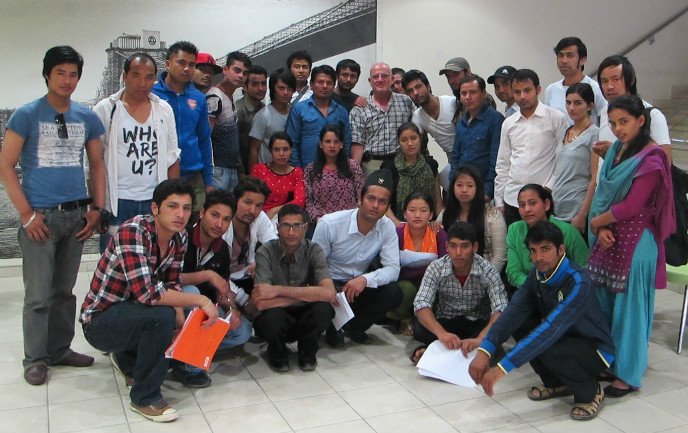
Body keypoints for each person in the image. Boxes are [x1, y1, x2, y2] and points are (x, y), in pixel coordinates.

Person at [0, 45, 106, 386]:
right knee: (38, 295)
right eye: (60, 72)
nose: (67, 80)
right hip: (40, 218)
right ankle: (35, 358)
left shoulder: (86, 116)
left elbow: (97, 164)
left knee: (65, 291)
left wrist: (97, 209)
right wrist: (26, 215)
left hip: (75, 216)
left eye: (73, 74)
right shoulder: (27, 114)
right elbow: (6, 165)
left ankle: (60, 349)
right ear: (47, 74)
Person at [80, 179, 221, 422]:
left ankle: (127, 360)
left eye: (186, 208)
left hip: (132, 313)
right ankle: (145, 398)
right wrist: (201, 300)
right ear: (155, 208)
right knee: (161, 315)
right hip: (99, 322)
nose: (180, 214)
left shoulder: (180, 237)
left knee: (171, 315)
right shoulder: (133, 232)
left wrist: (180, 320)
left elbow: (171, 282)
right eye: (172, 206)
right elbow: (148, 293)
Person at [470, 221, 614, 422]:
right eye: (533, 251)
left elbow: (551, 330)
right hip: (563, 337)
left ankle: (591, 392)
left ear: (561, 249)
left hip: (595, 349)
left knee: (547, 345)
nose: (538, 257)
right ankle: (556, 384)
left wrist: (501, 370)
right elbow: (514, 311)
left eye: (545, 249)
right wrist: (485, 350)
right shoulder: (536, 274)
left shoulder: (578, 281)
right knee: (521, 323)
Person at [588, 94, 674, 396]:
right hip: (609, 237)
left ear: (640, 121)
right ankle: (609, 362)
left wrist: (596, 222)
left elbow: (632, 206)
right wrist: (601, 227)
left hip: (637, 244)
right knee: (605, 305)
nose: (618, 129)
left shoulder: (652, 159)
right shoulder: (617, 150)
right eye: (613, 123)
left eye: (624, 122)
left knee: (630, 312)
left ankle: (628, 374)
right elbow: (604, 193)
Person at [93, 52, 180, 252]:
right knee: (115, 260)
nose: (142, 83)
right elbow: (95, 162)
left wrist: (172, 202)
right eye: (136, 75)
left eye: (149, 77)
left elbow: (172, 157)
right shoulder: (105, 109)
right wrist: (98, 206)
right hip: (117, 202)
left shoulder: (164, 109)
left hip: (154, 200)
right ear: (124, 76)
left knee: (152, 257)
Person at [312, 170, 403, 345]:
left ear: (387, 207)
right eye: (371, 198)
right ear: (360, 199)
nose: (375, 205)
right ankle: (333, 326)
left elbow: (393, 269)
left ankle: (355, 327)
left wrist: (364, 279)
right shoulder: (330, 224)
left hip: (357, 286)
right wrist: (329, 287)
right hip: (329, 285)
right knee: (331, 336)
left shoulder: (387, 227)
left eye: (382, 202)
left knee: (394, 292)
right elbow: (314, 265)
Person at [173, 189, 252, 388]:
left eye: (226, 219)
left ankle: (181, 352)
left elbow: (223, 289)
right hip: (176, 303)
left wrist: (231, 309)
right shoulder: (181, 238)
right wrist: (207, 275)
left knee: (242, 332)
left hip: (207, 310)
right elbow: (170, 278)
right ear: (202, 213)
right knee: (192, 293)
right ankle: (190, 367)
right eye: (214, 215)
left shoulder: (222, 249)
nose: (219, 224)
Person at [253, 204, 336, 372]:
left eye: (297, 226)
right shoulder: (265, 252)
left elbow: (329, 293)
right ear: (278, 228)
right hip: (279, 315)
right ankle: (277, 354)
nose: (291, 232)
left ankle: (307, 353)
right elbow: (261, 302)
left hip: (304, 315)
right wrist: (309, 294)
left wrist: (277, 291)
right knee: (270, 317)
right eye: (286, 226)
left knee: (323, 309)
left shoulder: (314, 250)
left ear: (305, 228)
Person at [410, 221, 507, 364]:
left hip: (477, 323)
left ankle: (437, 351)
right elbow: (421, 303)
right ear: (446, 247)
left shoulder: (488, 270)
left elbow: (501, 308)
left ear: (475, 247)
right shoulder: (436, 267)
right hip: (447, 322)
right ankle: (454, 348)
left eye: (464, 246)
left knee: (498, 331)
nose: (458, 252)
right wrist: (442, 334)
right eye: (453, 246)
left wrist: (480, 338)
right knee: (419, 327)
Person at [494, 69, 568, 227]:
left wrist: (549, 188)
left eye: (527, 90)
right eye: (517, 92)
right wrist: (499, 199)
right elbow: (503, 163)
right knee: (516, 241)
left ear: (538, 90)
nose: (522, 96)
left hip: (543, 199)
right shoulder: (509, 123)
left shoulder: (556, 118)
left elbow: (563, 160)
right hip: (512, 200)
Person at [152, 41, 213, 212]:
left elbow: (204, 141)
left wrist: (208, 182)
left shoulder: (199, 98)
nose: (186, 68)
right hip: (159, 177)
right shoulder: (152, 94)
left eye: (191, 65)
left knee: (194, 227)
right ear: (168, 64)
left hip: (193, 178)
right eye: (181, 62)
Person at [506, 184, 589, 292]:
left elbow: (584, 268)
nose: (527, 209)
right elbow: (513, 273)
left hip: (566, 291)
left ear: (546, 204)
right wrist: (541, 289)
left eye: (532, 203)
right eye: (522, 205)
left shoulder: (568, 231)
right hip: (528, 291)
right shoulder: (515, 229)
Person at [389, 192, 447, 336]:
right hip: (402, 281)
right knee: (406, 289)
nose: (417, 215)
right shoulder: (397, 233)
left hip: (430, 281)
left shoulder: (438, 233)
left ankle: (423, 320)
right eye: (412, 210)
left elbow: (445, 265)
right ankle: (404, 317)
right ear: (404, 213)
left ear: (431, 214)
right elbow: (391, 266)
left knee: (430, 288)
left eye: (423, 210)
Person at [595, 55, 672, 163]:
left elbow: (665, 162)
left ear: (631, 80)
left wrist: (617, 152)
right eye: (604, 81)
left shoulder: (652, 114)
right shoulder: (605, 111)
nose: (609, 86)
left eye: (615, 79)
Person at [222, 177, 278, 308]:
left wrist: (261, 263)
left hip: (247, 276)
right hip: (222, 283)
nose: (252, 210)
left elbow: (275, 248)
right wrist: (245, 301)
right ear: (235, 200)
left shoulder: (260, 217)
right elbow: (217, 276)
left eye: (258, 205)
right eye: (247, 202)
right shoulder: (221, 224)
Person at [439, 166, 507, 272]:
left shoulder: (493, 216)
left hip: (485, 274)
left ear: (478, 188)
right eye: (459, 185)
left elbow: (499, 257)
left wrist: (486, 278)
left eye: (470, 185)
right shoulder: (445, 214)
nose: (464, 190)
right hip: (450, 274)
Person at [349, 63, 414, 173]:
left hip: (401, 163)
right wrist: (355, 173)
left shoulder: (405, 101)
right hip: (372, 165)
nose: (380, 80)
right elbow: (357, 144)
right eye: (375, 77)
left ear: (392, 79)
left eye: (384, 76)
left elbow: (417, 128)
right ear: (370, 81)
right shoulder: (359, 110)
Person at [552, 83, 600, 233]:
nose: (571, 108)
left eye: (577, 103)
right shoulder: (564, 131)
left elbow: (594, 178)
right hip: (558, 204)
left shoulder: (594, 134)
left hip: (578, 206)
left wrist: (582, 214)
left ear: (589, 106)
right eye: (568, 103)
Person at [450, 74, 504, 199]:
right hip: (463, 189)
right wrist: (453, 185)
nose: (467, 97)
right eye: (464, 93)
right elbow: (455, 157)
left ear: (483, 93)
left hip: (484, 189)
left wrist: (488, 191)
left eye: (472, 92)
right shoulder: (461, 122)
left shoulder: (495, 119)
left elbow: (496, 159)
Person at [286, 65, 351, 167]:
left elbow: (346, 144)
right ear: (311, 85)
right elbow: (292, 143)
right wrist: (298, 171)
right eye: (320, 82)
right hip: (306, 169)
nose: (325, 86)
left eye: (329, 83)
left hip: (335, 171)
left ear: (333, 86)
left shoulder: (341, 112)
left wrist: (343, 168)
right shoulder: (299, 109)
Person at [206, 51, 252, 190]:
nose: (241, 76)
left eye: (245, 73)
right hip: (218, 170)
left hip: (230, 169)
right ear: (225, 70)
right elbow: (205, 137)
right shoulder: (215, 97)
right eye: (237, 70)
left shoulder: (230, 97)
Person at [381, 122, 442, 225]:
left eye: (413, 138)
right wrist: (398, 224)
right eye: (404, 140)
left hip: (428, 224)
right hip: (397, 224)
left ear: (420, 139)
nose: (409, 143)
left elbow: (438, 202)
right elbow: (384, 203)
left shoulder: (431, 165)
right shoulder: (389, 167)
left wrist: (438, 221)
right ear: (399, 142)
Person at [304, 125, 364, 225]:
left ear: (342, 144)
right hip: (322, 223)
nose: (332, 145)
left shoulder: (353, 166)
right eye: (328, 141)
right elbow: (308, 202)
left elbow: (361, 197)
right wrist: (319, 220)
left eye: (336, 142)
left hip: (350, 222)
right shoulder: (310, 170)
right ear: (321, 144)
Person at [544, 37, 606, 125]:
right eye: (560, 55)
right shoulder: (551, 90)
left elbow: (605, 121)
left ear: (582, 60)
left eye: (570, 55)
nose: (564, 60)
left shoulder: (595, 88)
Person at [250, 132, 306, 221]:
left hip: (285, 217)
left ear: (291, 150)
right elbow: (251, 197)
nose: (281, 153)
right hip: (258, 216)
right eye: (276, 150)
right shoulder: (259, 170)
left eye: (285, 149)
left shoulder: (297, 173)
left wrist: (275, 210)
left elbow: (300, 201)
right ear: (270, 151)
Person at [404, 69, 457, 161]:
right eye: (410, 91)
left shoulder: (451, 103)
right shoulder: (418, 117)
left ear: (428, 86)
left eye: (418, 87)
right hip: (453, 158)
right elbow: (416, 144)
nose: (415, 93)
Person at [248, 68, 295, 170]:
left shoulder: (295, 113)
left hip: (290, 172)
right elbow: (253, 150)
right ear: (273, 89)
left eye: (289, 88)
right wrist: (254, 176)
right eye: (281, 88)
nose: (286, 92)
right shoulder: (263, 115)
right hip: (267, 172)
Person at [236, 65, 267, 174]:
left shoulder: (264, 108)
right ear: (245, 86)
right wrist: (241, 173)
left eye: (263, 83)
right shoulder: (238, 110)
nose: (261, 88)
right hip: (240, 172)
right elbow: (233, 145)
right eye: (255, 84)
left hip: (261, 169)